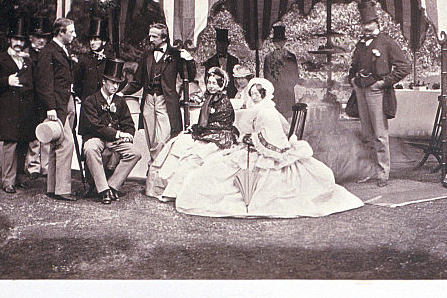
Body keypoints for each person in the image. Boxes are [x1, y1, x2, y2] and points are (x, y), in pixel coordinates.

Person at [175, 78, 364, 218]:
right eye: (252, 94)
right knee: (216, 168)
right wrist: (248, 139)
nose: (255, 97)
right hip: (254, 149)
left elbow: (272, 141)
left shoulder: (267, 112)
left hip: (269, 155)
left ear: (264, 95)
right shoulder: (260, 110)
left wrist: (252, 140)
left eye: (258, 94)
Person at [146, 67, 239, 201]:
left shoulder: (224, 102)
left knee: (192, 159)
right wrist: (194, 129)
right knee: (176, 144)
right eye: (209, 82)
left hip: (220, 138)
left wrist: (199, 132)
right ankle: (159, 185)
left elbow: (220, 125)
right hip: (207, 134)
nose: (211, 86)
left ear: (221, 85)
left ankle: (173, 193)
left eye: (214, 83)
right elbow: (204, 123)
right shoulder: (208, 99)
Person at [348, 0, 410, 187]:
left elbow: (404, 67)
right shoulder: (360, 44)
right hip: (361, 89)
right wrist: (353, 80)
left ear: (377, 22)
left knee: (380, 135)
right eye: (364, 24)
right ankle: (369, 170)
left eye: (369, 23)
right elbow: (354, 65)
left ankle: (383, 173)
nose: (366, 27)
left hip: (377, 91)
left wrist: (384, 82)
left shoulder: (387, 42)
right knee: (366, 134)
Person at [120, 23, 196, 168]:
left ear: (164, 38)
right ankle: (155, 175)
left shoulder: (175, 55)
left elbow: (190, 77)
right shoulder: (146, 56)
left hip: (165, 101)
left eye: (154, 36)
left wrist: (189, 60)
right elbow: (137, 82)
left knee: (162, 139)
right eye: (150, 35)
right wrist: (121, 93)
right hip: (148, 99)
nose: (150, 39)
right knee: (151, 139)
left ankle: (154, 167)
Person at [0, 17, 36, 193]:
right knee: (11, 143)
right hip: (10, 108)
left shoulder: (28, 60)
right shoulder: (0, 59)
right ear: (9, 40)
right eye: (15, 39)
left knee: (23, 143)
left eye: (21, 40)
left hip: (26, 108)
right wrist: (7, 81)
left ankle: (21, 177)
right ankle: (8, 181)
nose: (19, 43)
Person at [80, 58, 142, 204]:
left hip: (114, 140)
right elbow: (95, 126)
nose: (115, 86)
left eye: (118, 83)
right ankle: (103, 190)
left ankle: (112, 186)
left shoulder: (120, 101)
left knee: (135, 153)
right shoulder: (91, 100)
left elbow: (129, 124)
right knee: (90, 148)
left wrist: (128, 136)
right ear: (104, 81)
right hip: (96, 137)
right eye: (112, 82)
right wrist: (118, 134)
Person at [34, 18, 78, 201]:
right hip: (57, 105)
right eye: (71, 32)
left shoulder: (62, 50)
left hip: (66, 101)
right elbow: (44, 83)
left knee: (56, 145)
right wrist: (50, 107)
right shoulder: (48, 52)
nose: (74, 35)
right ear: (61, 33)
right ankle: (62, 189)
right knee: (66, 144)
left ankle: (53, 187)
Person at [25, 15, 51, 178]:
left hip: (46, 99)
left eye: (44, 37)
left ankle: (46, 166)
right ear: (30, 37)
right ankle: (33, 166)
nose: (41, 41)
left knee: (47, 132)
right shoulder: (26, 56)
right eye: (38, 37)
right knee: (33, 135)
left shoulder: (48, 54)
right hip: (31, 100)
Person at [263, 24, 300, 120]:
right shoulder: (268, 58)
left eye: (280, 42)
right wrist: (276, 87)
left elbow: (295, 76)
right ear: (273, 43)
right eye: (276, 42)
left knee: (286, 120)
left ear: (284, 42)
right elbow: (267, 77)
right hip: (274, 94)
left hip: (287, 94)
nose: (278, 44)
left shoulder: (291, 57)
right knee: (274, 118)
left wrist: (286, 86)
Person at [74, 17, 112, 101]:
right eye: (91, 40)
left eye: (95, 39)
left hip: (105, 102)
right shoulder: (84, 59)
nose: (92, 43)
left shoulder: (110, 59)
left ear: (104, 41)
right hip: (88, 103)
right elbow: (77, 83)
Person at [202, 28, 239, 98]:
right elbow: (207, 80)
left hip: (231, 94)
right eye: (219, 44)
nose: (221, 46)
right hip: (215, 95)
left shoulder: (234, 60)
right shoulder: (210, 61)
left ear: (227, 44)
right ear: (216, 44)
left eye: (224, 44)